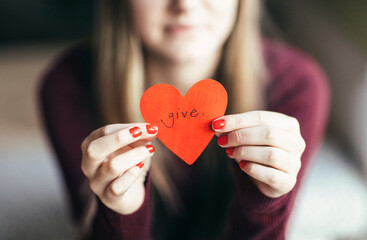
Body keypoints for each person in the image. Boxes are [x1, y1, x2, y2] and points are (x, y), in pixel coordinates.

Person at [39, 0, 330, 239]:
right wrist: (120, 213)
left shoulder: (297, 84)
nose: (185, 5)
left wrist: (267, 201)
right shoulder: (67, 85)